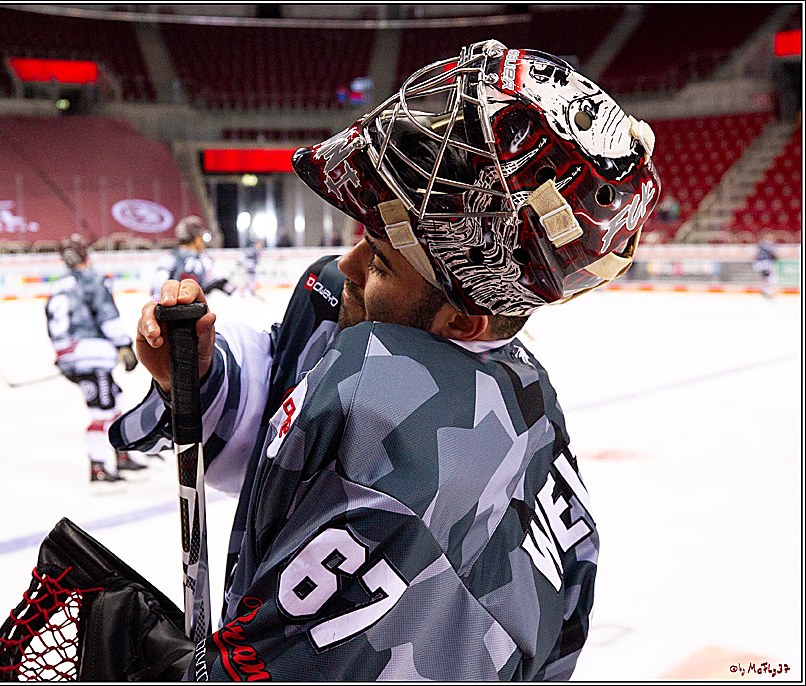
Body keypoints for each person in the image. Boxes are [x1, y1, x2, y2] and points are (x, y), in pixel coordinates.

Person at [101, 40, 660, 680]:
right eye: (365, 236)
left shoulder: (397, 423)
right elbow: (288, 413)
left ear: (462, 318)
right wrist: (200, 379)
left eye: (383, 261)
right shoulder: (454, 361)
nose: (346, 268)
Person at [45, 234, 144, 482]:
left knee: (115, 397)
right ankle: (98, 467)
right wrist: (124, 345)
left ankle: (121, 455)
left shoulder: (57, 285)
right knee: (102, 411)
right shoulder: (92, 280)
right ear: (85, 256)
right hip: (91, 355)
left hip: (69, 355)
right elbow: (106, 315)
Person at [150, 216, 235, 300]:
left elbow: (157, 290)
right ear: (197, 239)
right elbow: (220, 283)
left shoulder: (168, 258)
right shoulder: (204, 259)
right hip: (197, 309)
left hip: (173, 307)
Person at [753, 234, 778, 298]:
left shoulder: (762, 245)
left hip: (765, 264)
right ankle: (767, 291)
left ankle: (766, 291)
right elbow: (772, 256)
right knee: (768, 278)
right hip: (765, 264)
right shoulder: (766, 246)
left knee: (767, 278)